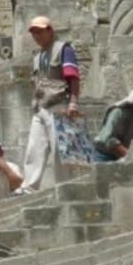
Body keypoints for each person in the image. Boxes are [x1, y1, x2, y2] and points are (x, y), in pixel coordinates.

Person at [20, 15, 81, 192]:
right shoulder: (37, 57)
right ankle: (29, 187)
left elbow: (73, 77)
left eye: (39, 31)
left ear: (50, 31)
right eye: (34, 32)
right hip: (41, 108)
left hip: (59, 105)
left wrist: (74, 103)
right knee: (34, 148)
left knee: (59, 150)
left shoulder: (63, 49)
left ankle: (65, 186)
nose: (36, 36)